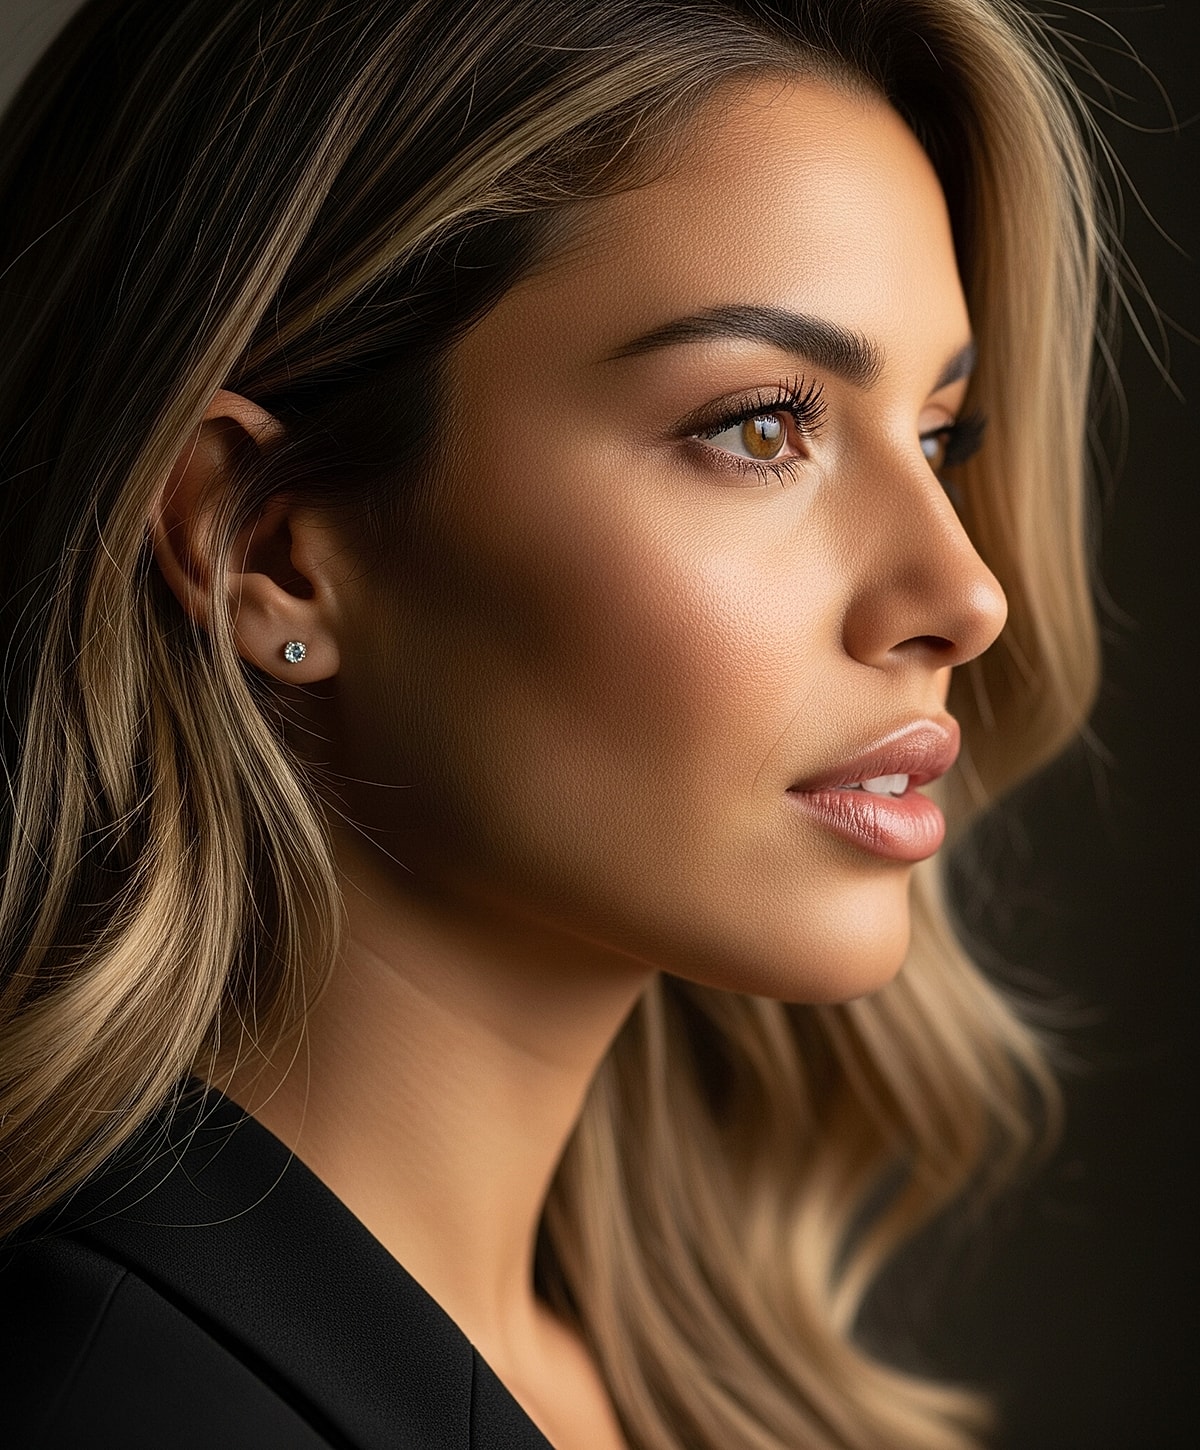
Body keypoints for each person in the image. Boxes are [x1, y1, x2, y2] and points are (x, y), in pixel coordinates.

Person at [0, 1, 1110, 1446]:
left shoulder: (690, 1389)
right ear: (265, 546)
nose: (964, 595)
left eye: (938, 434)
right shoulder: (111, 1398)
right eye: (762, 424)